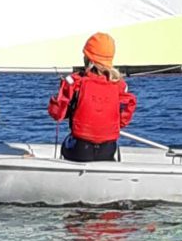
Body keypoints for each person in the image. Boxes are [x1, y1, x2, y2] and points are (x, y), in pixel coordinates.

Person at [48, 32, 136, 162]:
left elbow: (56, 114)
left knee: (67, 143)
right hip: (108, 149)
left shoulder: (74, 82)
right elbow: (128, 108)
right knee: (108, 147)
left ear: (89, 59)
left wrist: (61, 92)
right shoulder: (120, 86)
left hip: (80, 149)